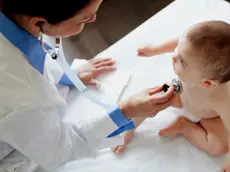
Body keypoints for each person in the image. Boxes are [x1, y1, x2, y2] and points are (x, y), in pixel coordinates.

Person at [0, 0, 175, 171]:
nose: (93, 19)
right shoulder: (24, 97)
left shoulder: (15, 20)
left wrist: (68, 76)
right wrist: (125, 112)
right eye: (84, 18)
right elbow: (61, 150)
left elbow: (33, 52)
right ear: (38, 22)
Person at [113, 20, 230, 172]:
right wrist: (155, 49)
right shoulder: (191, 49)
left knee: (218, 147)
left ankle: (184, 126)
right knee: (150, 101)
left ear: (207, 84)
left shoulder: (222, 100)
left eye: (182, 61)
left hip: (209, 115)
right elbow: (179, 41)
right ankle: (127, 130)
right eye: (177, 50)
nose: (174, 56)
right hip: (179, 91)